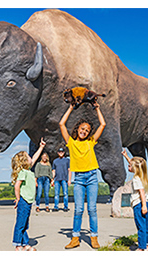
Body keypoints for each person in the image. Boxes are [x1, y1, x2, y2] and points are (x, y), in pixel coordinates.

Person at [59, 102, 106, 249]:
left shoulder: (91, 142)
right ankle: (75, 238)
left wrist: (97, 109)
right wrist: (71, 108)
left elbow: (103, 124)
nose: (84, 131)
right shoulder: (71, 143)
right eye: (82, 128)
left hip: (92, 177)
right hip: (79, 179)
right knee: (78, 209)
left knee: (92, 209)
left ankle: (94, 237)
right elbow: (62, 123)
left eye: (87, 130)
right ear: (77, 128)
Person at [11, 137, 46, 251]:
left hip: (29, 201)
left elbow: (35, 157)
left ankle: (26, 244)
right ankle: (18, 245)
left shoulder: (28, 170)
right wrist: (18, 198)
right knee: (20, 224)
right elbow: (17, 186)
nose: (31, 158)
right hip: (24, 201)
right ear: (24, 161)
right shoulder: (23, 172)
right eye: (28, 157)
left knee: (25, 225)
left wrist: (41, 147)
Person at [121, 149, 148, 251]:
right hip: (145, 203)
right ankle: (146, 244)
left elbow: (141, 193)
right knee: (146, 225)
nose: (128, 167)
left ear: (135, 168)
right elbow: (134, 164)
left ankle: (141, 248)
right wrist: (126, 156)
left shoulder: (136, 179)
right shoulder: (141, 176)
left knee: (140, 226)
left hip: (139, 205)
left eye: (130, 166)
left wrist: (143, 206)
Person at [52, 147, 71, 212]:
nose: (61, 153)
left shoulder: (67, 160)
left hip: (64, 179)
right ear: (58, 153)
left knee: (65, 194)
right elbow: (53, 171)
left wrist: (69, 180)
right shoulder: (55, 161)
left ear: (64, 153)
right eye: (59, 152)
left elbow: (69, 170)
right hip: (57, 179)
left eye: (62, 152)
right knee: (56, 194)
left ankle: (65, 207)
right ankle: (56, 207)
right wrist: (52, 180)